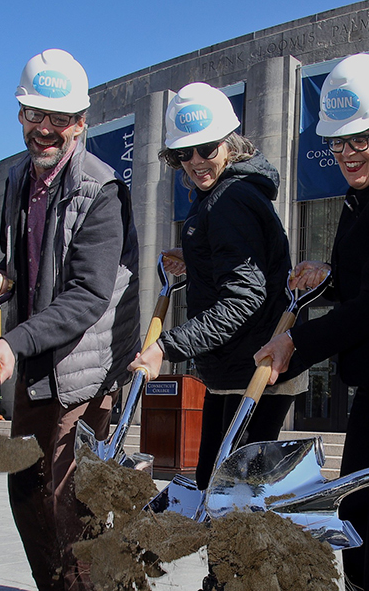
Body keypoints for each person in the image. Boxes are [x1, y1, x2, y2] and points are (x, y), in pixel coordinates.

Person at [254, 53, 369, 590]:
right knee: (356, 512)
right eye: (338, 142)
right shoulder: (363, 196)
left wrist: (297, 340)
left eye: (359, 140)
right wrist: (330, 276)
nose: (347, 154)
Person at [0, 49, 139, 591]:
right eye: (34, 116)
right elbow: (28, 271)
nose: (45, 130)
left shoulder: (102, 190)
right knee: (25, 491)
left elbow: (87, 296)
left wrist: (13, 342)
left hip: (82, 374)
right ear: (20, 115)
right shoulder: (18, 179)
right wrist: (2, 281)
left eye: (59, 119)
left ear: (81, 122)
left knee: (70, 504)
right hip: (34, 368)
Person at [127, 82, 303, 491]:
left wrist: (165, 347)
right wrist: (199, 258)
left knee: (231, 503)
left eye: (207, 149)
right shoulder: (221, 195)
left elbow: (244, 299)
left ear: (230, 144)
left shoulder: (230, 199)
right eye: (183, 153)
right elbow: (242, 263)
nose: (196, 162)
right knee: (217, 492)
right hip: (234, 370)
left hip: (256, 370)